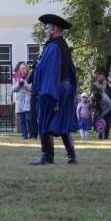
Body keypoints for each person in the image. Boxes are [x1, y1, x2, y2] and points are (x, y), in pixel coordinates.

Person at [30, 14, 78, 165]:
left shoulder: (54, 47)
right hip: (64, 89)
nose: (46, 31)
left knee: (45, 121)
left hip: (54, 90)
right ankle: (71, 156)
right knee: (62, 122)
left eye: (47, 28)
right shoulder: (61, 45)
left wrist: (47, 92)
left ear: (55, 29)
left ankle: (47, 156)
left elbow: (50, 71)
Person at [11, 62, 33, 139]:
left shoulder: (30, 77)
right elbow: (13, 89)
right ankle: (25, 136)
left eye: (23, 68)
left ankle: (32, 134)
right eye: (21, 69)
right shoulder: (17, 77)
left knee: (28, 119)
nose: (22, 70)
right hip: (20, 101)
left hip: (28, 101)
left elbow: (31, 89)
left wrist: (24, 84)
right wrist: (19, 84)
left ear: (27, 69)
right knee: (22, 121)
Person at [91, 71, 111, 139]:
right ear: (97, 78)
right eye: (100, 77)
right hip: (99, 105)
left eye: (102, 77)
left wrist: (106, 86)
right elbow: (94, 95)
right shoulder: (94, 84)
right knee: (99, 121)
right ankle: (100, 134)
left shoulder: (106, 84)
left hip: (107, 105)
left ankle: (106, 135)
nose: (102, 78)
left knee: (107, 121)